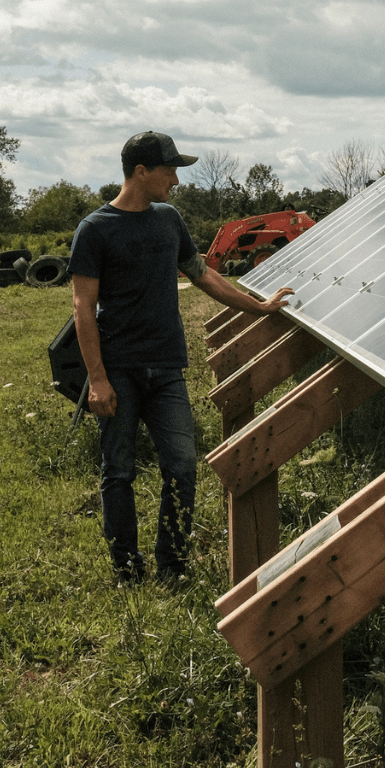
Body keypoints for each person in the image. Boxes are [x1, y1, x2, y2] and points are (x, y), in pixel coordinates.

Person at [69, 131, 292, 583]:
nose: (175, 179)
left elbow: (204, 275)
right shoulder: (95, 230)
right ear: (140, 172)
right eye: (168, 170)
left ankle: (172, 566)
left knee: (182, 465)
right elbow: (82, 308)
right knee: (120, 471)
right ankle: (127, 569)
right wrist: (97, 380)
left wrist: (261, 306)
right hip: (119, 370)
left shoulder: (169, 220)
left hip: (166, 368)